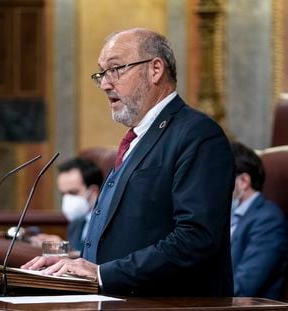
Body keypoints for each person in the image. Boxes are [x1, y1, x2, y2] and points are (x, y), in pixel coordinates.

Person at [22, 28, 235, 297]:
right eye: (101, 74)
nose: (105, 84)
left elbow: (196, 239)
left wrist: (101, 274)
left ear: (155, 69)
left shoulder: (198, 135)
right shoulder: (137, 138)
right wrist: (75, 262)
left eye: (115, 70)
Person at [230, 141, 288, 299]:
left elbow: (243, 287)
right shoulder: (225, 218)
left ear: (243, 181)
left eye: (221, 178)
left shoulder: (268, 221)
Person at [29, 157, 103, 253]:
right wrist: (58, 247)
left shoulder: (107, 223)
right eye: (63, 194)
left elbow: (100, 261)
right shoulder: (75, 223)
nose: (67, 199)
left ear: (94, 191)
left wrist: (64, 249)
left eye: (73, 193)